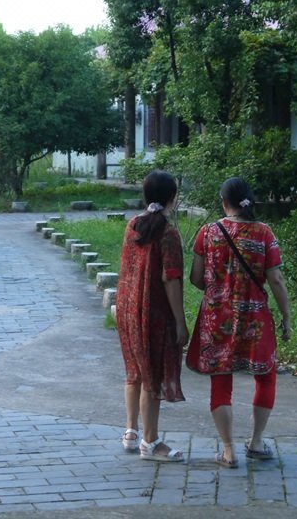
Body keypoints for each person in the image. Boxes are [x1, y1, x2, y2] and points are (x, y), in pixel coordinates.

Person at [187, 177, 291, 468]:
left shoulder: (207, 232)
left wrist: (219, 289)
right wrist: (286, 316)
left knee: (221, 379)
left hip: (216, 317)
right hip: (255, 318)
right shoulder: (264, 233)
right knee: (265, 375)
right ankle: (256, 442)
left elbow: (195, 278)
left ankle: (229, 450)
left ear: (223, 202)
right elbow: (276, 279)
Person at [115, 169, 188, 462]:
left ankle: (131, 432)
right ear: (172, 198)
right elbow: (171, 279)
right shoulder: (168, 233)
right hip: (152, 314)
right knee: (151, 377)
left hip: (127, 310)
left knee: (134, 371)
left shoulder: (133, 225)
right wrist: (180, 321)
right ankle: (151, 442)